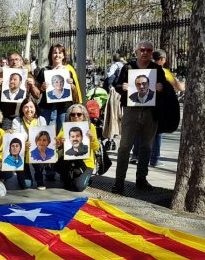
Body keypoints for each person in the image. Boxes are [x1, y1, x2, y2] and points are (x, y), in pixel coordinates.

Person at [111, 40, 171, 195]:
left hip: (151, 113)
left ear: (152, 53)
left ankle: (141, 179)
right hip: (131, 111)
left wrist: (161, 87)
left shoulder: (156, 69)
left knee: (146, 147)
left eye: (149, 50)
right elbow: (116, 85)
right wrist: (121, 87)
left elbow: (166, 88)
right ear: (136, 51)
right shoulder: (128, 67)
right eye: (142, 49)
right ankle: (119, 182)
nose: (145, 52)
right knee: (125, 146)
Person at [131, 49, 185, 167]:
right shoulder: (165, 72)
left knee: (140, 129)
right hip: (159, 106)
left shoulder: (146, 69)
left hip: (143, 103)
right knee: (157, 131)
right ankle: (154, 158)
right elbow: (179, 87)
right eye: (165, 59)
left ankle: (135, 154)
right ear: (162, 59)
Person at [35, 44, 81, 134]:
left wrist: (72, 86)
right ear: (51, 55)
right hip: (47, 108)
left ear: (63, 55)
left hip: (64, 109)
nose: (57, 55)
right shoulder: (44, 71)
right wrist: (42, 88)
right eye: (54, 53)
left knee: (63, 134)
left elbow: (75, 92)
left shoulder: (68, 71)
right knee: (46, 135)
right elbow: (36, 90)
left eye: (60, 53)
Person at [55, 104, 99, 191]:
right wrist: (59, 142)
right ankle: (68, 176)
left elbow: (96, 148)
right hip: (68, 160)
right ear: (69, 116)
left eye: (79, 114)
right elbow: (56, 143)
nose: (76, 116)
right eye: (72, 114)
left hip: (85, 162)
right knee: (67, 185)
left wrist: (92, 139)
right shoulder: (65, 127)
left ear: (84, 115)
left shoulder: (91, 127)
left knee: (79, 187)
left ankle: (84, 177)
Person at [11, 98, 47, 189]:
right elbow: (16, 139)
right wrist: (23, 146)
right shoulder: (16, 121)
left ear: (35, 108)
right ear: (22, 109)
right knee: (27, 185)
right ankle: (21, 171)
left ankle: (39, 178)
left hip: (37, 152)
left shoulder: (41, 120)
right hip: (22, 153)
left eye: (31, 107)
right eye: (26, 107)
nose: (29, 110)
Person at [0, 53, 36, 129]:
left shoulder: (28, 75)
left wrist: (33, 85)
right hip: (7, 116)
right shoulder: (2, 74)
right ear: (8, 62)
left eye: (16, 59)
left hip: (23, 116)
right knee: (7, 138)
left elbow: (37, 95)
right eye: (11, 60)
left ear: (21, 61)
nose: (14, 62)